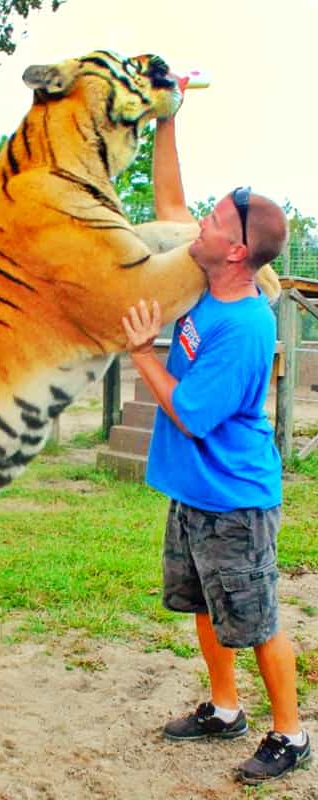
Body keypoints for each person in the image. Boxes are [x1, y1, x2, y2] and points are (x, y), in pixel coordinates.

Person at [121, 84, 312, 786]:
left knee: (256, 618)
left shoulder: (244, 323)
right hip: (197, 491)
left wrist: (142, 351)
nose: (192, 222)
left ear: (235, 250)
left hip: (234, 498)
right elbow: (171, 202)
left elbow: (193, 416)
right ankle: (225, 709)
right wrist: (170, 117)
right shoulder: (210, 279)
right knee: (205, 605)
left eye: (211, 220)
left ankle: (291, 736)